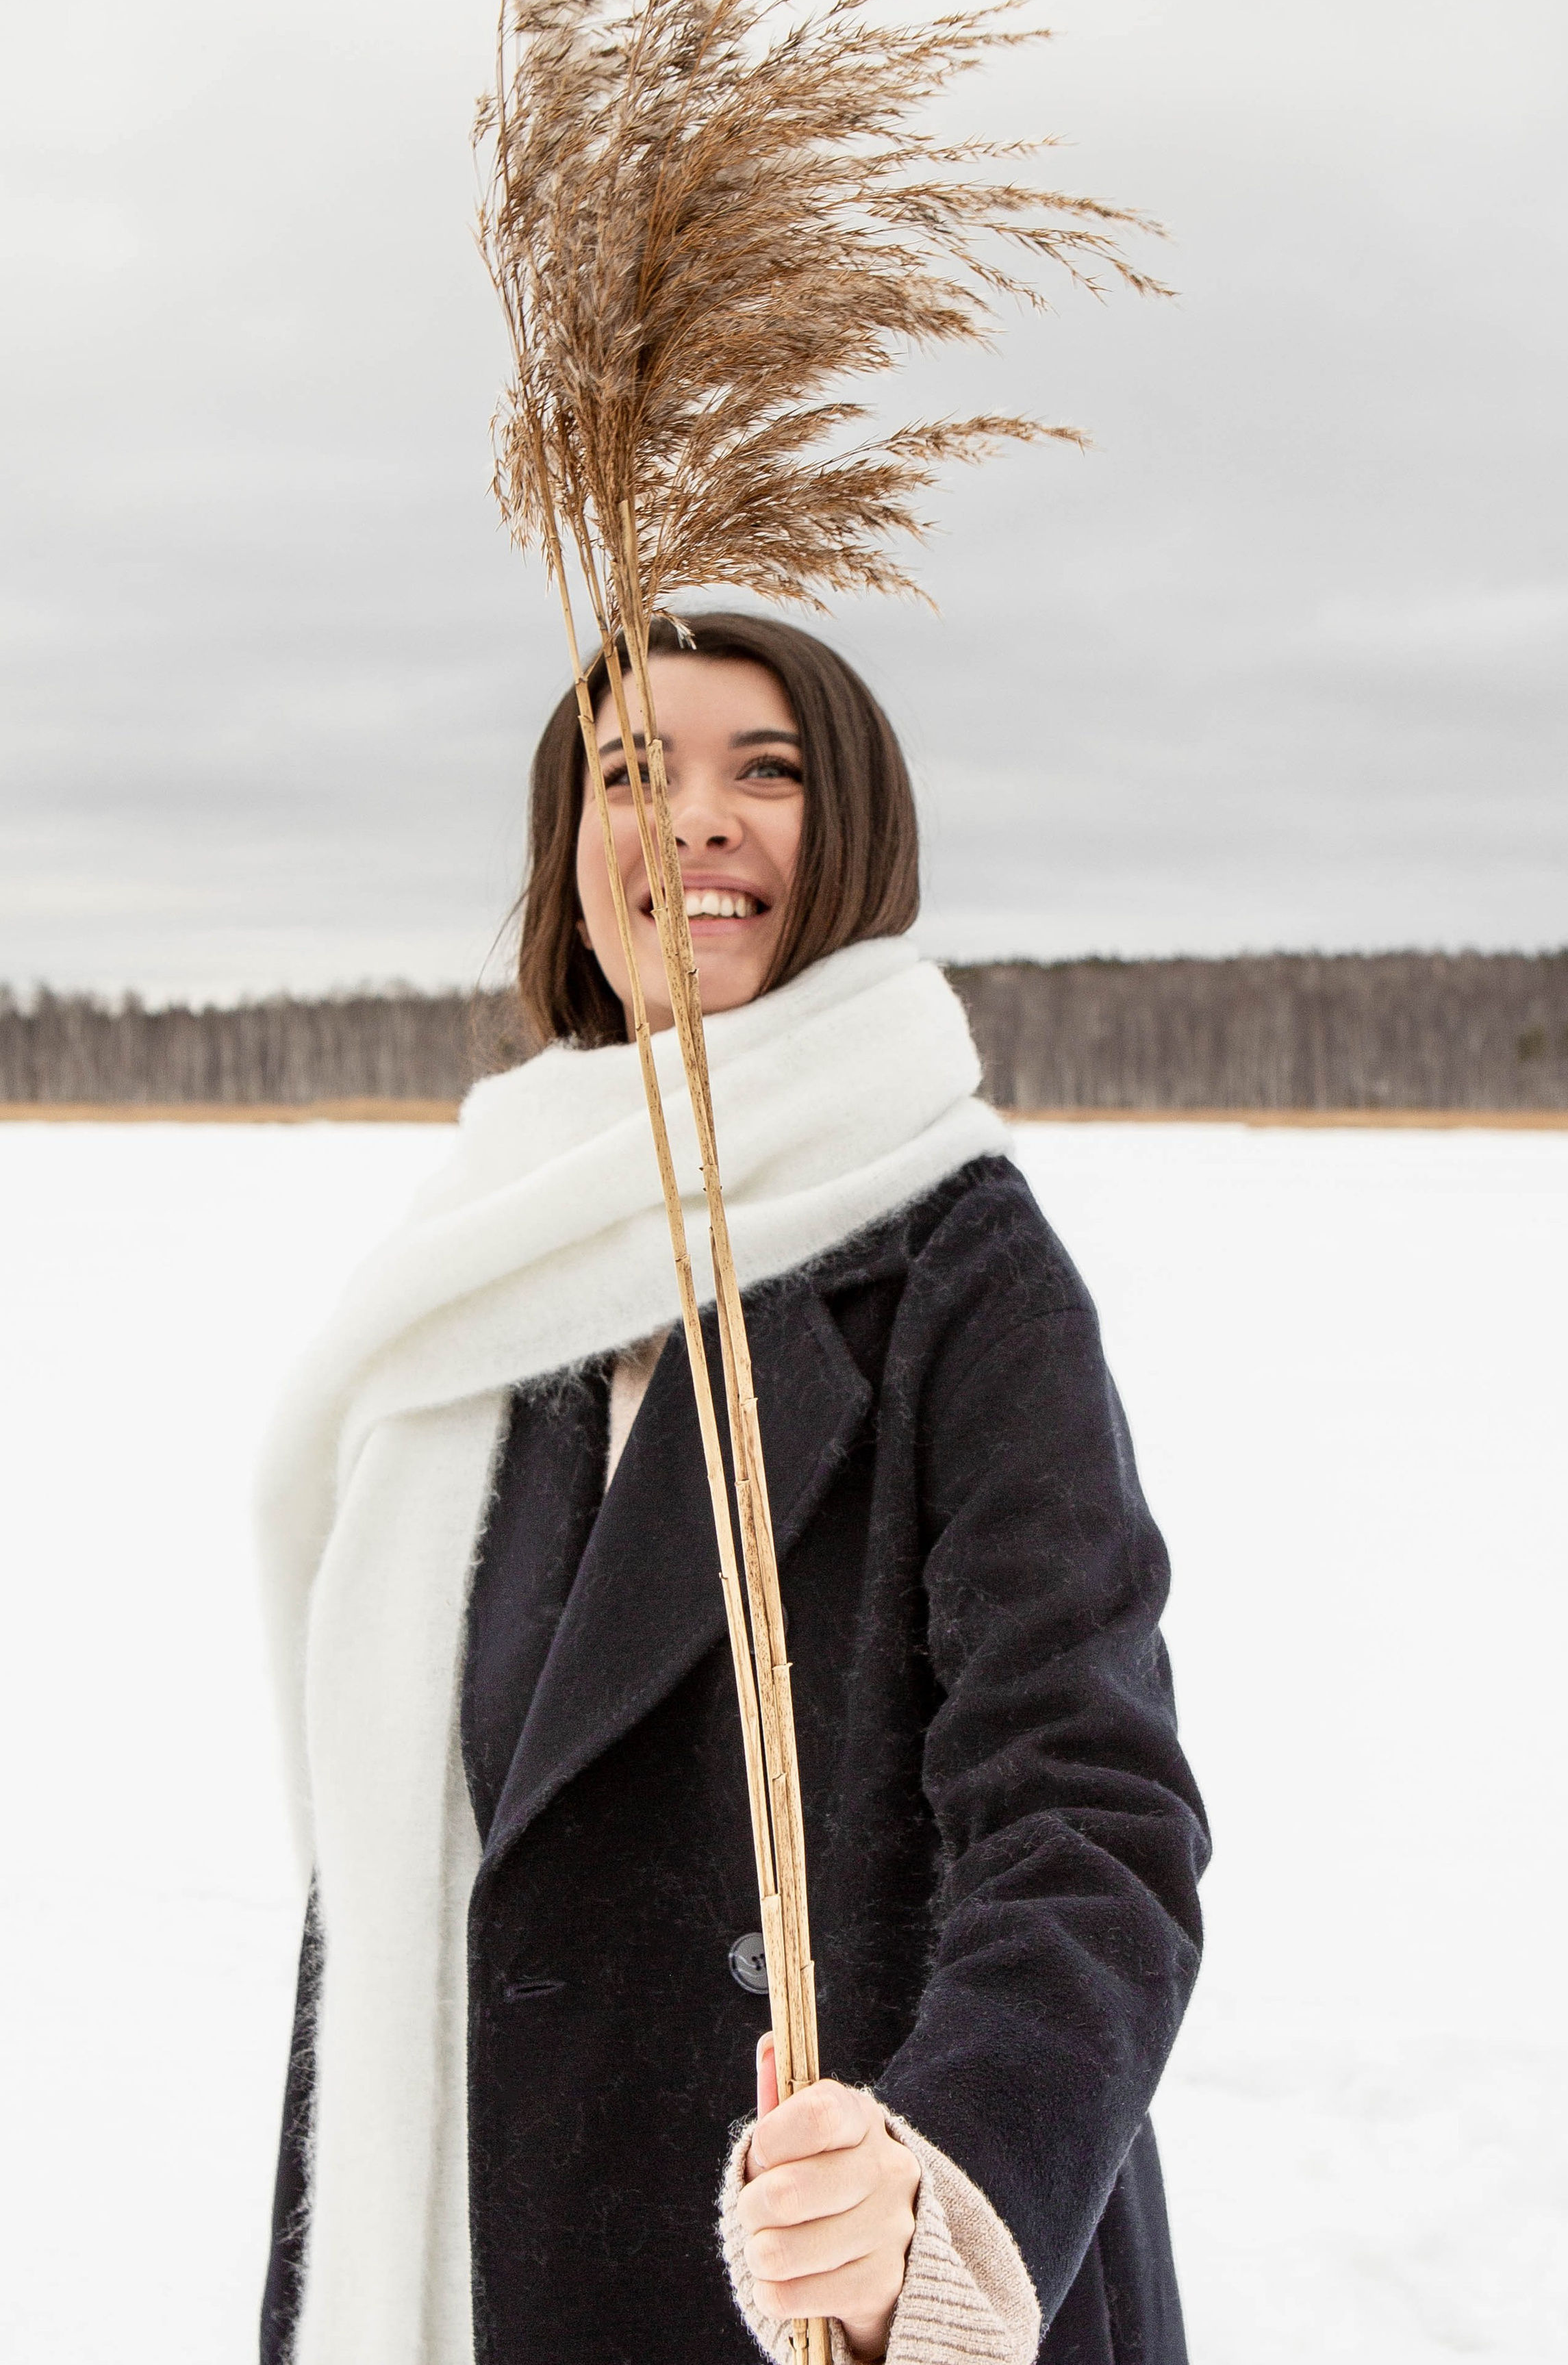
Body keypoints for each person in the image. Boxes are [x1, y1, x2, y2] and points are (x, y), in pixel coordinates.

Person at [256, 611, 1209, 2365]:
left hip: (840, 2294)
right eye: (634, 772)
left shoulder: (957, 1263)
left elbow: (1089, 1812)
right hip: (488, 2263)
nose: (696, 818)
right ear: (568, 856)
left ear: (846, 834)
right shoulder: (493, 1268)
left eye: (762, 772)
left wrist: (939, 2183)